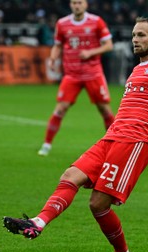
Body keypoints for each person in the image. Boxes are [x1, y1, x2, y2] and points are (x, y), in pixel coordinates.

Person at [4, 17, 148, 252]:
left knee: (98, 203)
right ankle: (38, 222)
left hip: (133, 142)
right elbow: (141, 108)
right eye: (134, 35)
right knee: (70, 175)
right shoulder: (136, 70)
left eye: (142, 35)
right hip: (112, 136)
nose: (135, 39)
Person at [37, 0, 115, 156]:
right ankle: (46, 145)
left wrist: (90, 52)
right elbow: (58, 45)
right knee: (60, 109)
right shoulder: (62, 23)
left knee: (104, 110)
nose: (76, 5)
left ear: (85, 5)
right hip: (72, 75)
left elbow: (108, 45)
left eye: (79, 3)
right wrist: (53, 58)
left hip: (93, 74)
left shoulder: (96, 21)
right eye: (73, 3)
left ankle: (114, 145)